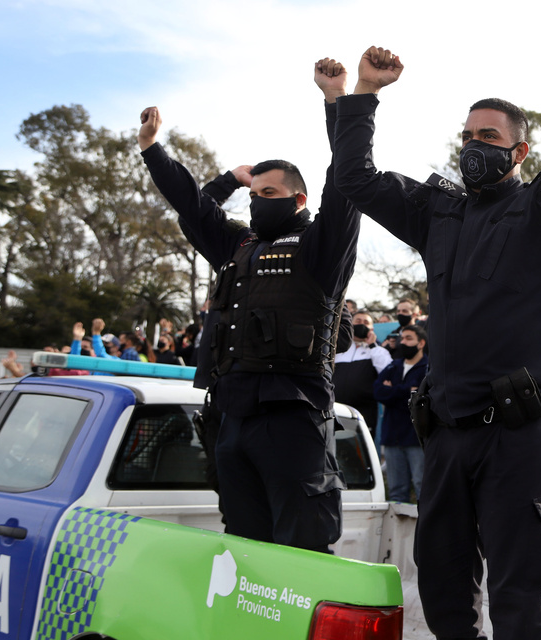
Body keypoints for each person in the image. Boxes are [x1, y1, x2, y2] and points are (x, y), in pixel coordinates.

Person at [332, 15, 541, 639]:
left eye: (488, 135)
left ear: (519, 151)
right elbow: (356, 179)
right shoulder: (438, 211)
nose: (472, 145)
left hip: (517, 434)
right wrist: (363, 94)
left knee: (519, 594)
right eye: (466, 135)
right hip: (446, 432)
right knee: (441, 586)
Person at [136, 57, 359, 552]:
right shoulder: (239, 246)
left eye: (269, 193)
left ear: (298, 200)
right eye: (253, 194)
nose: (258, 201)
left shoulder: (321, 246)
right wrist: (153, 150)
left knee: (301, 550)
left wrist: (336, 102)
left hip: (292, 416)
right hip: (231, 417)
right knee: (245, 550)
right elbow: (194, 207)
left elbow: (347, 182)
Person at [373, 325, 428, 502]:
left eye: (408, 338)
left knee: (423, 487)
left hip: (416, 439)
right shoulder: (393, 366)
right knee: (396, 491)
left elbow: (420, 402)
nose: (403, 342)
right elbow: (378, 392)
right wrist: (406, 391)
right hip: (392, 439)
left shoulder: (427, 369)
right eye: (402, 338)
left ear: (421, 343)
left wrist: (393, 391)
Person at [333, 310, 392, 436]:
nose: (362, 324)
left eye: (366, 322)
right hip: (336, 409)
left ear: (372, 328)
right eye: (358, 321)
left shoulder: (378, 351)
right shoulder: (338, 350)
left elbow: (387, 372)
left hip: (364, 413)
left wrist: (372, 346)